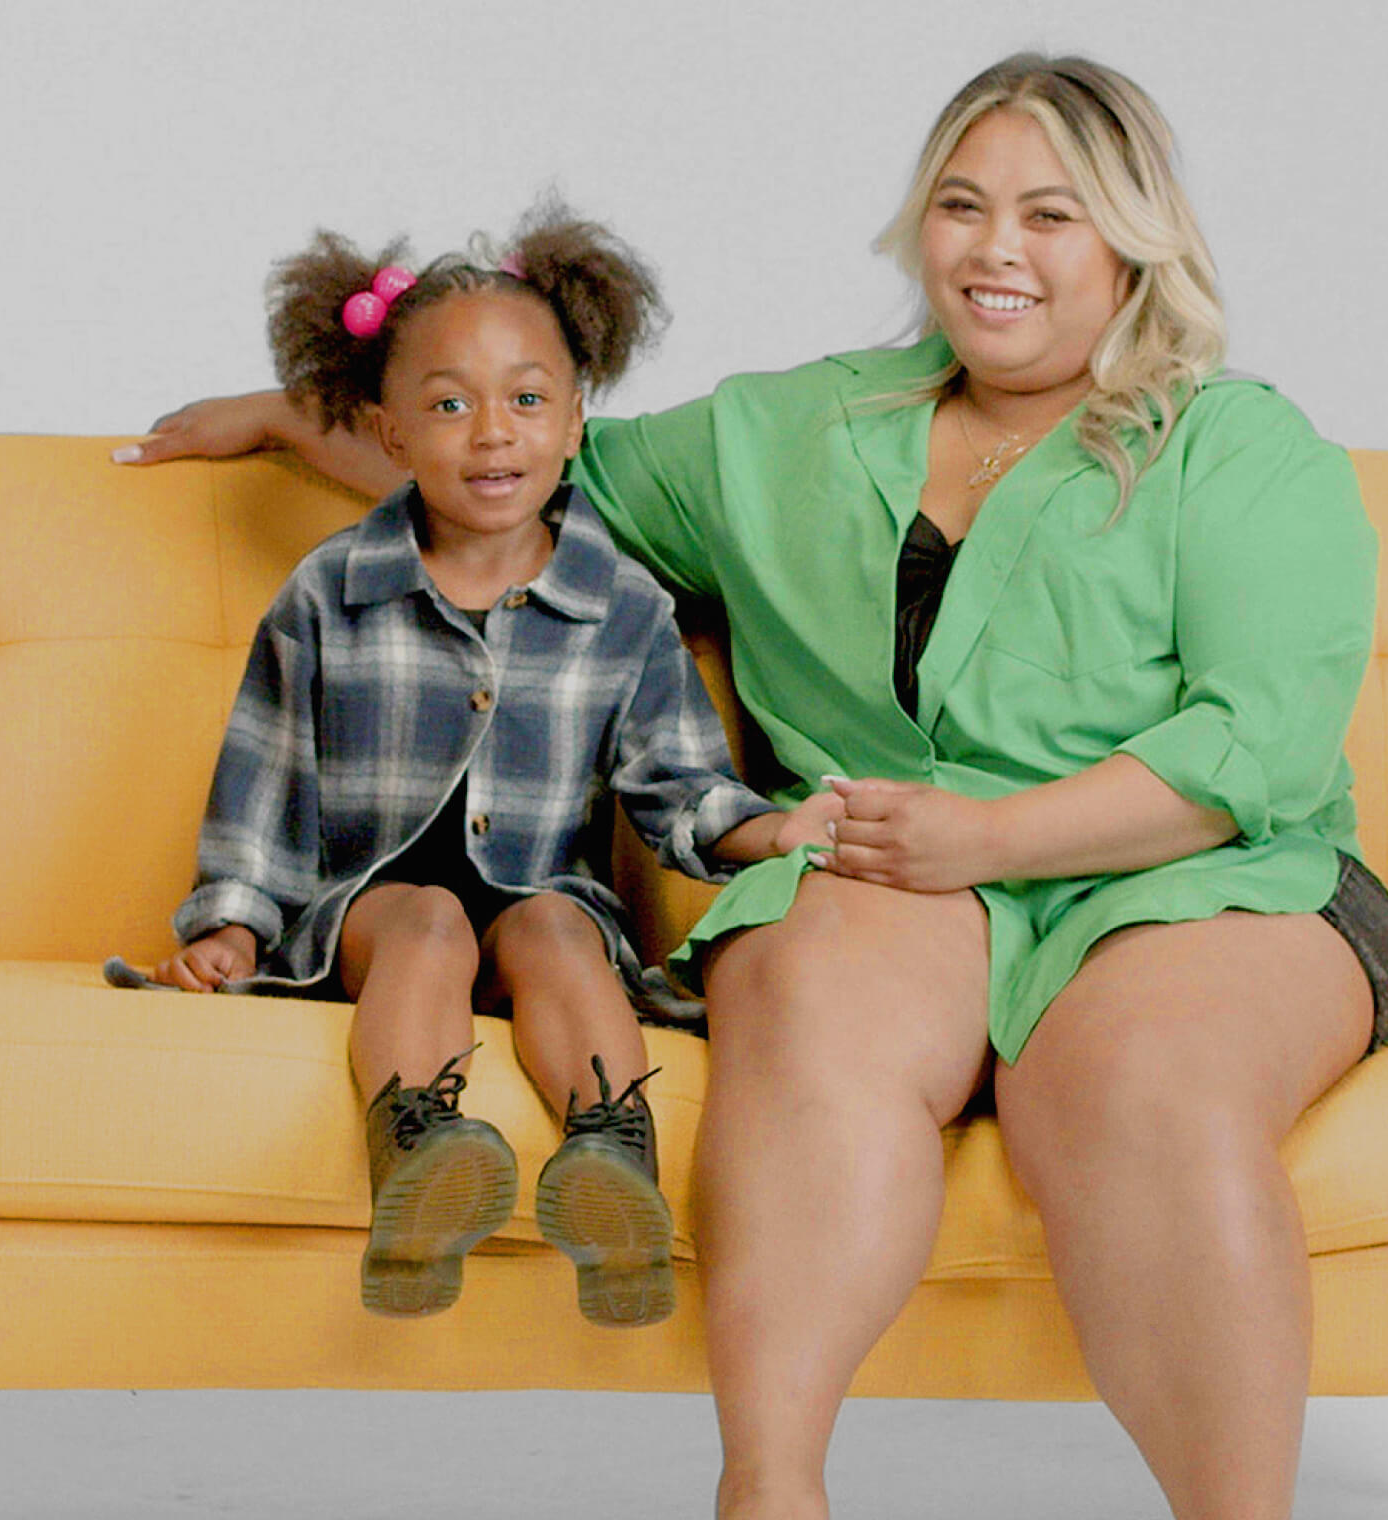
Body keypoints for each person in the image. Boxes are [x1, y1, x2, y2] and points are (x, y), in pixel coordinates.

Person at [118, 55, 1388, 1520]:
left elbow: (1258, 744)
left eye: (1050, 214)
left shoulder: (1238, 446)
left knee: (1134, 1083)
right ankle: (770, 1493)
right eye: (962, 205)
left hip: (1205, 877)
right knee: (805, 1001)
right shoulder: (794, 431)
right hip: (895, 874)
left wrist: (995, 835)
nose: (995, 248)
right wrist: (287, 414)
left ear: (1135, 237)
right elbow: (523, 461)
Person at [110, 203, 842, 1329]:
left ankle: (613, 1163)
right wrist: (232, 927)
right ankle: (421, 1158)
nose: (492, 434)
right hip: (370, 912)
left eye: (527, 400)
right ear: (390, 434)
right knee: (428, 920)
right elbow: (265, 780)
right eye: (449, 405)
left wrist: (776, 829)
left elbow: (680, 782)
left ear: (576, 421)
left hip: (542, 898)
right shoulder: (331, 590)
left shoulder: (621, 604)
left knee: (555, 928)